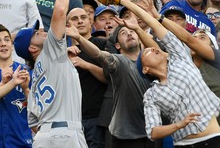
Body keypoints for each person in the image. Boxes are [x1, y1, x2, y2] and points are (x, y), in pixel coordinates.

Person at [103, 0, 220, 147]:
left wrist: (126, 3)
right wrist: (179, 125)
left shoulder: (181, 60)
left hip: (214, 139)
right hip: (184, 144)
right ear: (145, 69)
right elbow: (153, 132)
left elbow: (158, 27)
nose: (154, 49)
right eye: (147, 51)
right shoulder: (152, 95)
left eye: (157, 49)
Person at [13, 0, 87, 148]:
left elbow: (34, 124)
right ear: (32, 48)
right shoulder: (49, 52)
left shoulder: (36, 76)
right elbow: (60, 11)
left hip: (44, 137)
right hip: (66, 135)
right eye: (36, 33)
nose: (41, 31)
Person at [66, 9, 160, 148]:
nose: (129, 34)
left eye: (132, 32)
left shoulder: (156, 61)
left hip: (153, 130)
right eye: (123, 33)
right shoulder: (119, 61)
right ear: (117, 45)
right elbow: (98, 54)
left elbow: (160, 50)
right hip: (123, 136)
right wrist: (78, 39)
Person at [67, 7, 107, 147]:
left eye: (83, 17)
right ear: (67, 26)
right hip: (70, 120)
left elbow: (109, 78)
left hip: (96, 117)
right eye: (74, 19)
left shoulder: (102, 44)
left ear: (91, 22)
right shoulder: (62, 52)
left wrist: (87, 65)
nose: (79, 21)